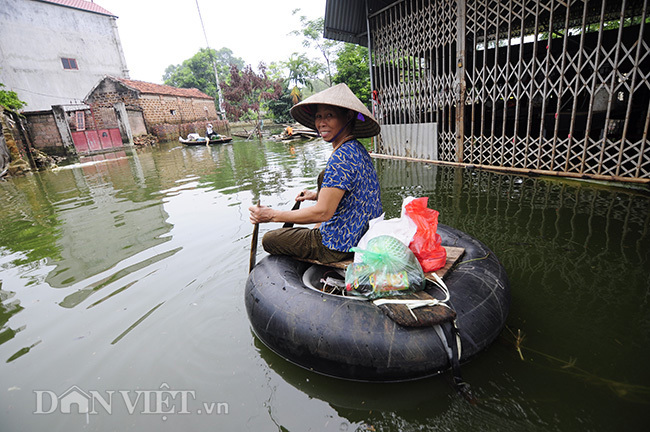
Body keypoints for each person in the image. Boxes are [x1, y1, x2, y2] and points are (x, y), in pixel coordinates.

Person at [249, 83, 382, 264]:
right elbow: (352, 193)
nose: (321, 123)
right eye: (319, 117)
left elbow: (323, 213)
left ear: (349, 116)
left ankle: (316, 238)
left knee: (270, 239)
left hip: (337, 245)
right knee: (323, 175)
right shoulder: (357, 149)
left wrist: (271, 215)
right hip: (362, 234)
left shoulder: (341, 157)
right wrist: (315, 196)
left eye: (329, 116)